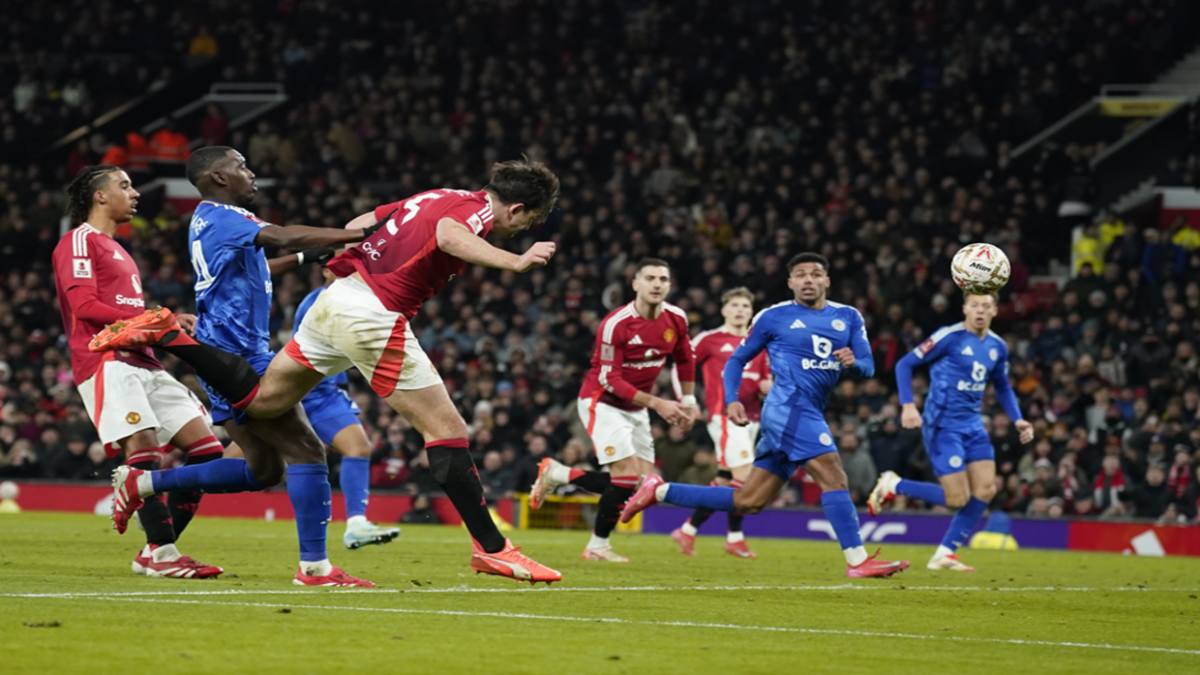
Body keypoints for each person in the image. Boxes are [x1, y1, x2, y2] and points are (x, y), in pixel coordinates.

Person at [91, 156, 563, 584]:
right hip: (370, 314)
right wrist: (515, 261)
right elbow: (448, 237)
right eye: (528, 223)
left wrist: (343, 265)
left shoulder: (436, 195)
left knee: (267, 410)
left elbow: (364, 223)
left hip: (336, 303)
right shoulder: (478, 211)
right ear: (517, 209)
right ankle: (493, 548)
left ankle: (303, 563)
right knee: (446, 429)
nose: (521, 230)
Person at [106, 148, 379, 587]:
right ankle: (315, 568)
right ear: (218, 176)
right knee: (307, 450)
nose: (252, 175)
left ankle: (142, 484)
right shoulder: (225, 216)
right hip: (237, 354)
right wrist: (357, 234)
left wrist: (310, 259)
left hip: (224, 350)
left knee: (262, 471)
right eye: (243, 167)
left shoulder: (210, 221)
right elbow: (285, 236)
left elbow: (262, 264)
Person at [619, 253, 909, 578]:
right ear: (790, 283)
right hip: (788, 409)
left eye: (815, 274)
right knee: (834, 476)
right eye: (800, 275)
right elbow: (736, 360)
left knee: (748, 500)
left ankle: (659, 491)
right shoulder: (773, 316)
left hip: (807, 410)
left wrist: (853, 362)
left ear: (827, 280)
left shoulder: (849, 317)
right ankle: (857, 561)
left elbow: (869, 367)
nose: (808, 280)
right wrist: (731, 400)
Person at [52, 165, 225, 579]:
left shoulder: (119, 249)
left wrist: (163, 319)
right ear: (98, 196)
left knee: (207, 451)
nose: (135, 194)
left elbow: (130, 314)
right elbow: (85, 309)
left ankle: (153, 549)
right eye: (125, 186)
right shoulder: (79, 241)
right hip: (107, 359)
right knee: (145, 448)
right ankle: (164, 556)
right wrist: (156, 319)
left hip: (144, 358)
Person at [527, 258, 696, 562]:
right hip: (601, 401)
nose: (657, 284)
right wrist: (658, 403)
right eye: (650, 278)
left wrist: (689, 401)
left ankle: (559, 473)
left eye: (663, 279)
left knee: (644, 487)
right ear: (636, 284)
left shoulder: (677, 319)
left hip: (636, 405)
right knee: (628, 479)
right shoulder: (616, 323)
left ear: (669, 285)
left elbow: (684, 359)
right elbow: (609, 378)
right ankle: (597, 546)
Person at [869, 292, 1034, 571]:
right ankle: (894, 485)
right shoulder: (948, 337)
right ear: (964, 309)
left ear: (994, 311)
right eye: (974, 306)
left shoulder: (998, 346)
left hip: (972, 425)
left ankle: (944, 554)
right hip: (943, 426)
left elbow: (1002, 386)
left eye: (986, 306)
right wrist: (908, 406)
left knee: (985, 489)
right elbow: (904, 364)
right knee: (956, 499)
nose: (979, 311)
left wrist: (1017, 419)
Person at [290, 268, 402, 549]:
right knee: (248, 467)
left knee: (359, 448)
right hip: (305, 388)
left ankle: (356, 524)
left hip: (326, 390)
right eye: (344, 267)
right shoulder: (319, 302)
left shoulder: (354, 299)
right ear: (326, 270)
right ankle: (168, 484)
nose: (352, 272)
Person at [669, 287, 770, 558]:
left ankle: (687, 531)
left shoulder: (759, 343)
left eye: (745, 307)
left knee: (724, 481)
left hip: (753, 419)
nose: (740, 310)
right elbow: (681, 364)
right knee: (746, 479)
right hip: (725, 417)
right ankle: (734, 538)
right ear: (724, 310)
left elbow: (766, 380)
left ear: (751, 313)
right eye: (735, 305)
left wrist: (766, 385)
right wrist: (687, 400)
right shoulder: (710, 339)